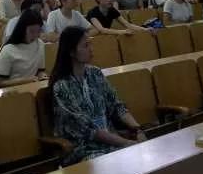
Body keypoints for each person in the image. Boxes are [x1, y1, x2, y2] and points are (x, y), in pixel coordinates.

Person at [50, 26, 146, 166]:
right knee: (115, 163)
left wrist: (138, 129)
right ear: (71, 52)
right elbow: (89, 131)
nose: (91, 49)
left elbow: (117, 106)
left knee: (143, 155)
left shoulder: (95, 73)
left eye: (90, 44)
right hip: (84, 149)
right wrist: (126, 143)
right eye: (85, 45)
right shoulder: (62, 86)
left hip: (111, 141)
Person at [0, 10, 48, 87]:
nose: (35, 35)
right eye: (32, 31)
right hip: (13, 90)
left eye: (38, 31)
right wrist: (25, 81)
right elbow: (0, 82)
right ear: (22, 29)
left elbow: (40, 71)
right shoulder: (8, 50)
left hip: (33, 86)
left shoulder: (40, 44)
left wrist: (42, 76)